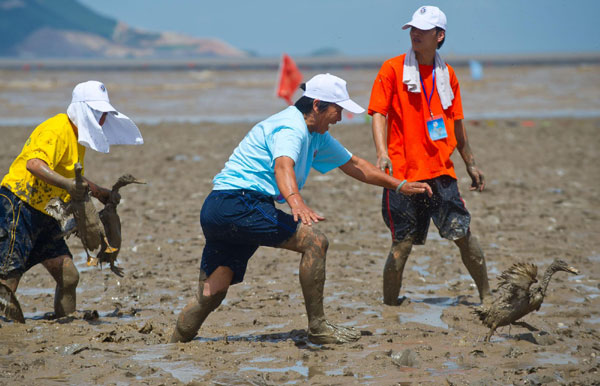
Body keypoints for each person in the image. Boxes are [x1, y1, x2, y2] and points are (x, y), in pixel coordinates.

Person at [170, 73, 432, 344]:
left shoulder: (316, 134)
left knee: (213, 292)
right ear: (317, 106)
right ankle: (318, 327)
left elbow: (354, 165)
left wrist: (399, 185)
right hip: (240, 202)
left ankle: (174, 343)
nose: (340, 118)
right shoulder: (291, 126)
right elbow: (283, 165)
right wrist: (296, 202)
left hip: (218, 207)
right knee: (315, 242)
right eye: (337, 110)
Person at [367, 6, 491, 306]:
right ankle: (390, 304)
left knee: (462, 234)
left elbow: (457, 124)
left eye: (422, 29)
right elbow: (378, 114)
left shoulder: (447, 74)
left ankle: (487, 297)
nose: (415, 33)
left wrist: (470, 163)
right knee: (402, 243)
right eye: (412, 28)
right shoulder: (392, 69)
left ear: (440, 36)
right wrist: (382, 153)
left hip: (441, 172)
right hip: (401, 173)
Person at [0, 80, 143, 320]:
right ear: (82, 109)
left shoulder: (76, 137)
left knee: (69, 277)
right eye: (97, 113)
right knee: (8, 276)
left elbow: (68, 173)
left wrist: (99, 192)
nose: (102, 120)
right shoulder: (56, 129)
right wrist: (68, 185)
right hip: (19, 204)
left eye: (104, 114)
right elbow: (34, 164)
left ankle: (65, 324)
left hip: (46, 213)